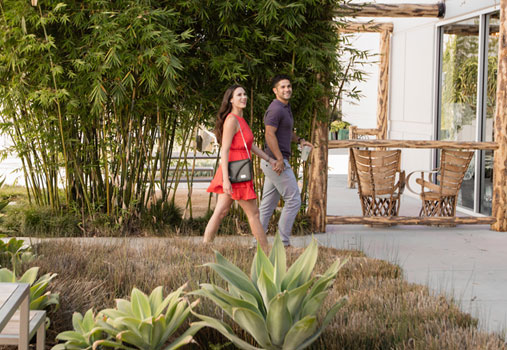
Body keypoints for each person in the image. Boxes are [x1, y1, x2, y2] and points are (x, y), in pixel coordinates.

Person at [204, 84, 276, 252]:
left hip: (238, 170)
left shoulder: (240, 119)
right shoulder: (231, 120)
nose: (243, 97)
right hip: (234, 172)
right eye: (239, 95)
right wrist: (226, 180)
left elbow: (250, 146)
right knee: (254, 214)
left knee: (220, 212)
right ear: (231, 100)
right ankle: (266, 251)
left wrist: (269, 159)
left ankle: (206, 246)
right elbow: (225, 149)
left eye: (244, 94)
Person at [258, 75, 313, 247]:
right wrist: (280, 159)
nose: (287, 89)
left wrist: (300, 140)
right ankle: (282, 243)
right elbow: (269, 133)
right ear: (275, 90)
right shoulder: (276, 109)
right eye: (282, 87)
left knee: (267, 205)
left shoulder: (285, 107)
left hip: (273, 162)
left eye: (288, 86)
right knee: (294, 200)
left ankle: (257, 242)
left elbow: (285, 132)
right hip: (276, 162)